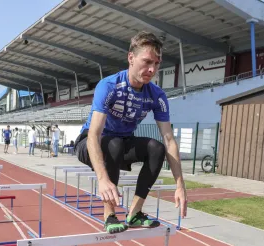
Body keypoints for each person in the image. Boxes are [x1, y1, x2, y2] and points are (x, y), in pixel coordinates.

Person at [75, 31, 187, 234]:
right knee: (114, 143)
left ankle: (134, 213)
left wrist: (180, 185)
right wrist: (102, 179)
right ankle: (109, 215)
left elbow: (169, 140)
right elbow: (94, 135)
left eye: (157, 63)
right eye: (146, 62)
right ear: (131, 58)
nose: (151, 69)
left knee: (156, 148)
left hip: (122, 142)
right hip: (89, 144)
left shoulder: (156, 95)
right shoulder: (109, 86)